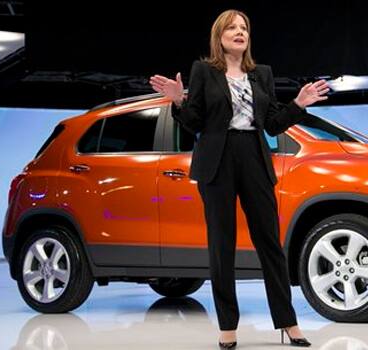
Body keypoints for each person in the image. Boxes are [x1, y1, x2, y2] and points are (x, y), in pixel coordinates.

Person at [149, 9, 329, 349]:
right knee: (222, 245)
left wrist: (299, 104)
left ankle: (288, 322)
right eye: (231, 27)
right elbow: (195, 121)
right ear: (219, 37)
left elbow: (273, 124)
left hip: (254, 156)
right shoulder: (203, 71)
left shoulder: (262, 74)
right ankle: (227, 326)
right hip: (217, 159)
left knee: (270, 244)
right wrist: (177, 102)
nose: (239, 31)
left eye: (244, 27)